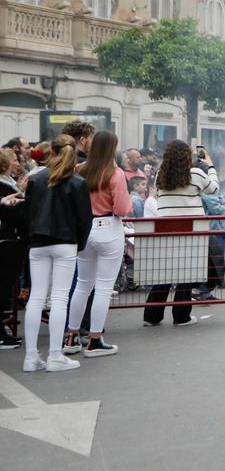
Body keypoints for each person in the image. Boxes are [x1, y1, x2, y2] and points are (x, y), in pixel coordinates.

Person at [19, 136, 92, 372]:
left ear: (52, 151)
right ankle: (54, 355)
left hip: (38, 242)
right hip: (65, 241)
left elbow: (27, 213)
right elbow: (85, 219)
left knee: (37, 298)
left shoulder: (36, 179)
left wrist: (31, 237)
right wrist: (79, 244)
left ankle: (31, 357)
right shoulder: (77, 182)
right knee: (60, 298)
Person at [63, 131, 130, 358]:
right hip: (108, 227)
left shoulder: (80, 170)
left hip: (85, 229)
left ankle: (71, 337)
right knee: (103, 288)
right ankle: (94, 340)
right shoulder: (115, 173)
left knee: (83, 284)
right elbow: (122, 208)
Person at [144, 139, 220, 326]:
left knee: (164, 274)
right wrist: (210, 166)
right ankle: (181, 315)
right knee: (187, 273)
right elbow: (214, 189)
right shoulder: (195, 173)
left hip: (165, 229)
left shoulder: (160, 174)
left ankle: (151, 316)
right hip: (191, 229)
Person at [0, 148, 27, 348]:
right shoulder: (5, 187)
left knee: (5, 287)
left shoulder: (9, 184)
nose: (17, 162)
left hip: (9, 240)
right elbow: (14, 214)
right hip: (7, 241)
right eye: (14, 159)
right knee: (3, 288)